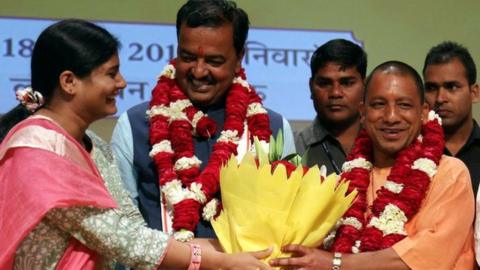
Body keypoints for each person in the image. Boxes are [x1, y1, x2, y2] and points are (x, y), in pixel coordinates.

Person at [0, 19, 272, 270]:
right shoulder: (39, 150)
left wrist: (232, 252)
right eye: (111, 74)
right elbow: (123, 239)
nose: (122, 83)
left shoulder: (94, 145)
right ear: (69, 82)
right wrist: (220, 263)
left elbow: (133, 226)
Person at [111, 0, 295, 240]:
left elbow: (287, 220)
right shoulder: (135, 125)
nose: (198, 72)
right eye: (187, 57)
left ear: (240, 57)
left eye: (214, 61)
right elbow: (120, 229)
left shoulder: (273, 128)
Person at [270, 61, 475, 269]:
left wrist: (336, 263)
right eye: (378, 104)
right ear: (363, 112)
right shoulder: (348, 179)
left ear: (423, 113)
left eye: (404, 105)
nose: (391, 117)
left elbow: (428, 256)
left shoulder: (449, 173)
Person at [294, 39, 366, 174]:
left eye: (346, 83)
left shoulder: (382, 145)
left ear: (364, 86)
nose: (335, 93)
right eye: (325, 83)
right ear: (311, 87)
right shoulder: (292, 148)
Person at [422, 41, 480, 196]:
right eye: (431, 88)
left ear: (474, 93)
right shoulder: (411, 151)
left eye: (452, 87)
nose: (440, 98)